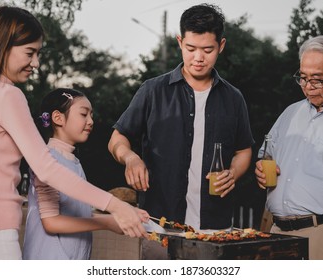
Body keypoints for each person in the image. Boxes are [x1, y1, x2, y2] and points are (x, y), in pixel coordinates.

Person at [0, 6, 148, 260]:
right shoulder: (7, 95)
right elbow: (47, 169)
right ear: (4, 46)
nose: (36, 63)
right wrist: (115, 205)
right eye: (30, 52)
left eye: (38, 53)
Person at [108, 3, 254, 258]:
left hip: (216, 228)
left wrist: (233, 172)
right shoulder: (152, 90)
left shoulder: (234, 98)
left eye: (207, 50)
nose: (198, 57)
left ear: (221, 46)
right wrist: (130, 158)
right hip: (158, 224)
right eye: (191, 48)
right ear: (179, 42)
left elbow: (244, 150)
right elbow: (117, 138)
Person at [255, 35, 323, 260]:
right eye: (302, 78)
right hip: (278, 235)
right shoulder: (289, 113)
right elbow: (266, 156)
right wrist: (260, 169)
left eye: (317, 79)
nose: (307, 87)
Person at [23, 88, 125, 259]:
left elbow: (76, 212)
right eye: (84, 114)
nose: (91, 121)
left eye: (91, 115)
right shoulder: (47, 160)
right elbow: (51, 222)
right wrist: (107, 223)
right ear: (58, 118)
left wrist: (119, 216)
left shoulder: (74, 162)